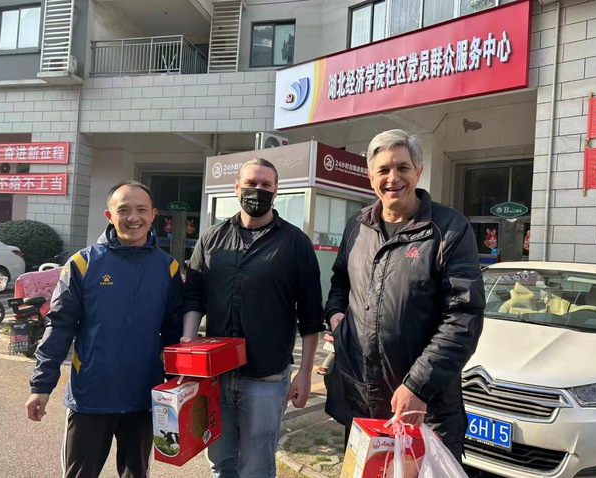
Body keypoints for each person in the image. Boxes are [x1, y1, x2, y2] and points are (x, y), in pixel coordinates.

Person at [324, 129, 485, 461]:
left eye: (402, 167)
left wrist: (417, 386)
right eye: (383, 170)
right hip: (360, 400)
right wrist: (336, 316)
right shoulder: (357, 226)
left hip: (424, 408)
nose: (393, 178)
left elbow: (463, 317)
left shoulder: (449, 229)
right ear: (371, 177)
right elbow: (340, 279)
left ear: (418, 171)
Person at [25, 180, 184, 478]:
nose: (133, 217)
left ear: (153, 215)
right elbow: (59, 326)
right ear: (109, 215)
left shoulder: (168, 268)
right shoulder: (83, 264)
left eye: (141, 210)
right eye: (123, 210)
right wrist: (41, 386)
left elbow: (173, 335)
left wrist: (178, 388)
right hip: (91, 396)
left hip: (143, 397)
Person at [182, 158, 324, 478]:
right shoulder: (212, 239)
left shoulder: (295, 243)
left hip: (266, 377)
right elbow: (193, 295)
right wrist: (189, 341)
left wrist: (304, 373)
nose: (257, 190)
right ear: (237, 187)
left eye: (265, 185)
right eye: (250, 183)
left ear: (276, 191)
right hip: (216, 373)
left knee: (256, 466)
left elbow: (311, 314)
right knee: (221, 462)